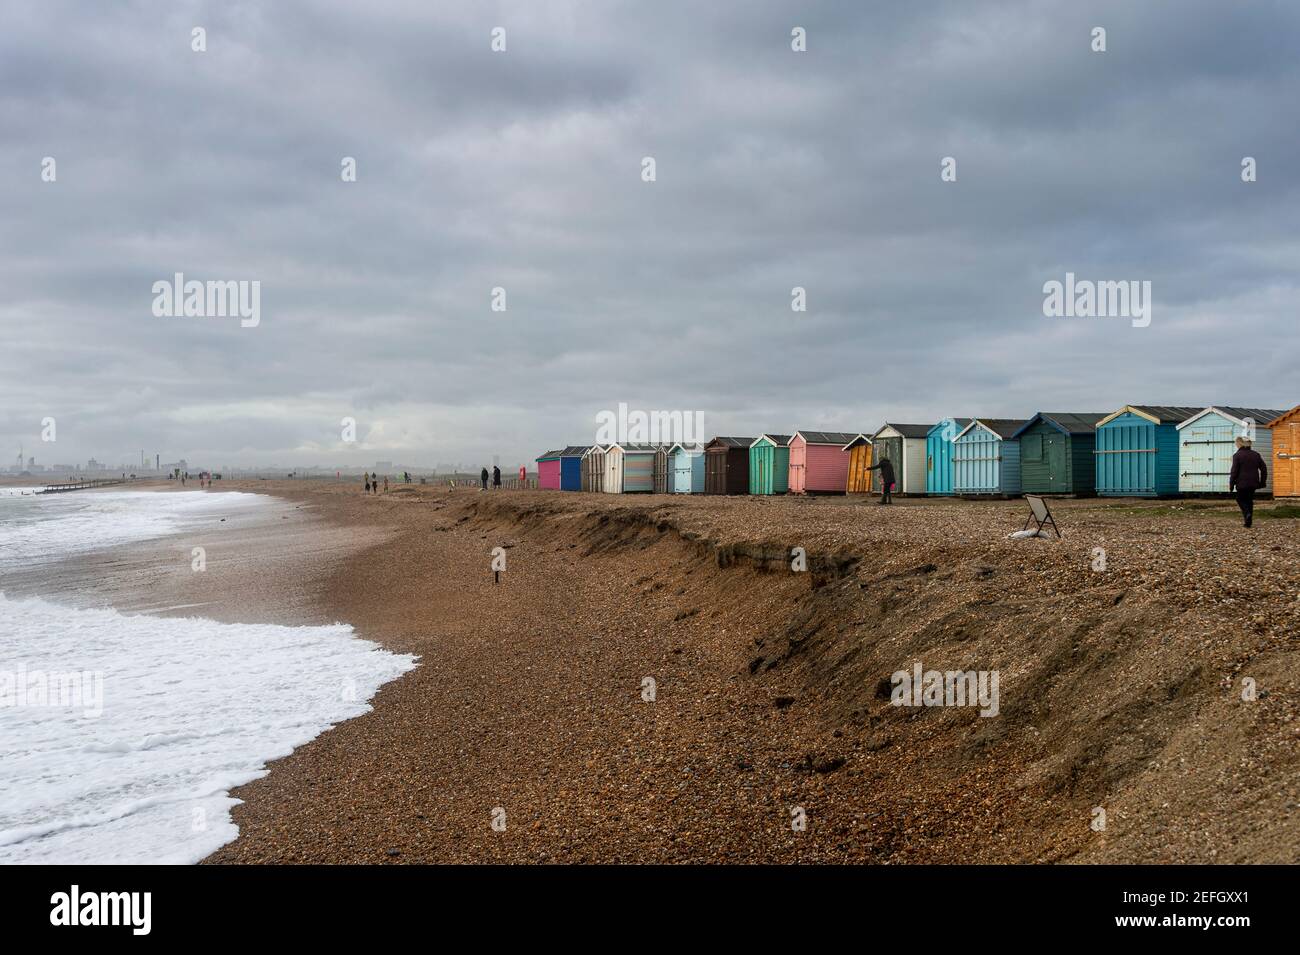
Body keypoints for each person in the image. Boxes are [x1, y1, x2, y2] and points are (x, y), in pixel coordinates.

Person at [1229, 436, 1267, 528]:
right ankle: (1248, 522)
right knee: (1249, 500)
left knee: (1240, 499)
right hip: (1253, 482)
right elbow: (1264, 469)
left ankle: (1247, 514)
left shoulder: (1237, 455)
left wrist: (1231, 484)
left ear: (1239, 444)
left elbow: (1234, 471)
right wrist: (1262, 482)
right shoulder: (1256, 454)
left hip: (1241, 482)